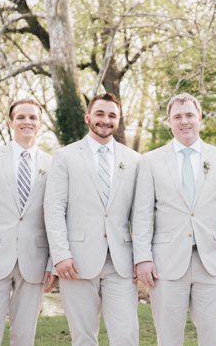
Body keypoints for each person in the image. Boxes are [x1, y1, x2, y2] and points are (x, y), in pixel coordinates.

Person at [132, 93, 216, 346]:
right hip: (166, 264)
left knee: (215, 338)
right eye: (178, 116)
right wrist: (143, 258)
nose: (184, 121)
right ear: (169, 122)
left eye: (189, 115)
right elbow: (142, 215)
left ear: (199, 118)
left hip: (212, 263)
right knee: (168, 339)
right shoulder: (151, 160)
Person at [44, 93, 141, 345]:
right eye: (99, 114)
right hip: (76, 262)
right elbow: (54, 209)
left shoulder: (134, 160)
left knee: (126, 336)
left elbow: (140, 215)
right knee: (83, 338)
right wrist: (60, 255)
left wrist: (141, 257)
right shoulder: (64, 156)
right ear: (88, 117)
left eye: (112, 115)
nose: (105, 120)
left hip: (121, 263)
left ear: (118, 120)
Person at [0, 98, 56, 345]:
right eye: (21, 117)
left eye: (33, 117)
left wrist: (53, 262)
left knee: (24, 337)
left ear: (40, 124)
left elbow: (56, 216)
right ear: (10, 123)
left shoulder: (52, 164)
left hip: (35, 260)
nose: (27, 122)